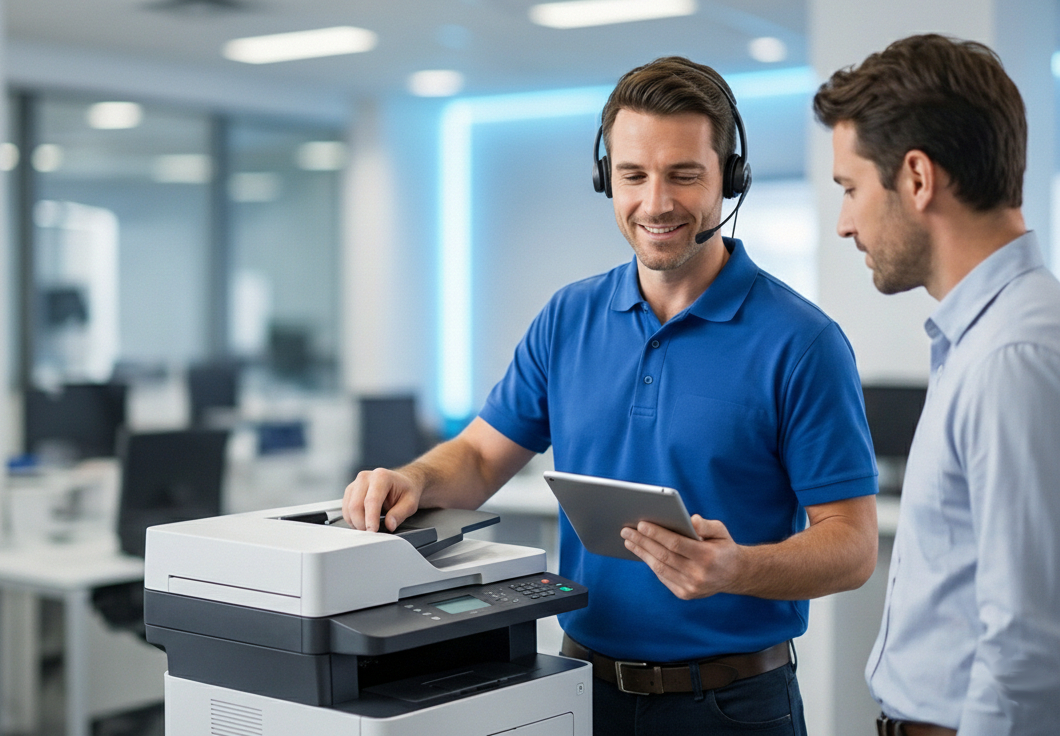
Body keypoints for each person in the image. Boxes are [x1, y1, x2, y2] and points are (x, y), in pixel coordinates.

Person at [346, 56, 879, 736]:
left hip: (733, 706)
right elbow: (479, 458)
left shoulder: (801, 341)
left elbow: (853, 545)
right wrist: (415, 479)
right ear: (606, 178)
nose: (655, 203)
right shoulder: (568, 318)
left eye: (683, 174)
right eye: (633, 175)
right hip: (581, 690)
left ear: (730, 177)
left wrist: (736, 568)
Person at [814, 34, 1060, 736]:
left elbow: (1027, 648)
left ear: (917, 178)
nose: (845, 224)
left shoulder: (1011, 355)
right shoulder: (983, 338)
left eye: (851, 189)